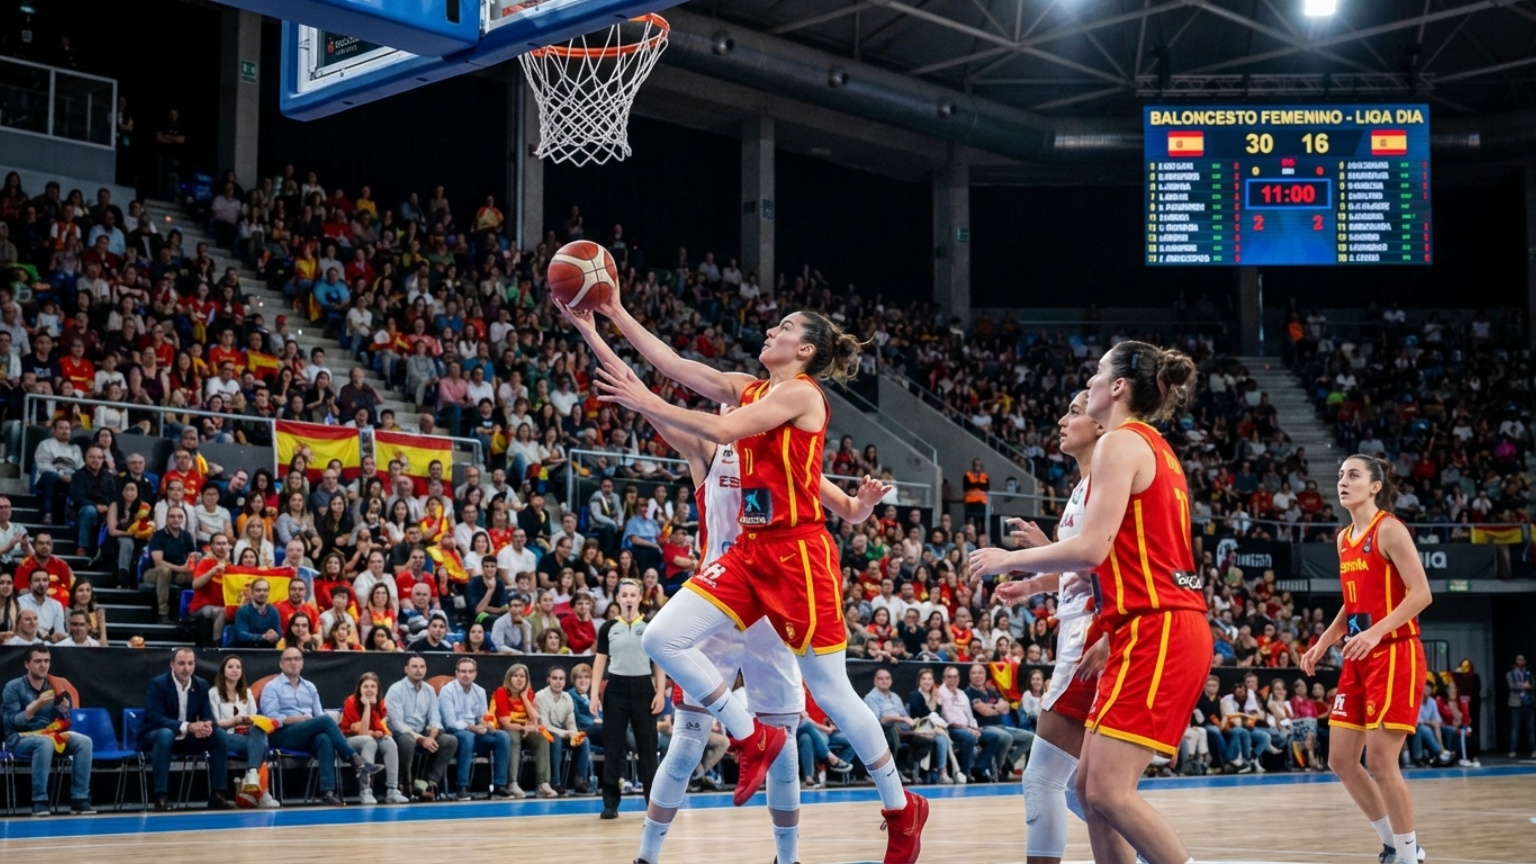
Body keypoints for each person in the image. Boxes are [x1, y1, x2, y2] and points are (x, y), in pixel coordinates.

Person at [591, 301, 926, 862]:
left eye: (786, 327)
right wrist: (613, 310)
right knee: (659, 638)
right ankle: (750, 735)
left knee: (833, 692)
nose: (772, 329)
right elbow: (673, 363)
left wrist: (644, 402)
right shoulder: (750, 389)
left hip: (797, 555)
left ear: (806, 352)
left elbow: (722, 427)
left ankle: (900, 808)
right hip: (748, 551)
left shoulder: (801, 394)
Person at [971, 340, 1207, 864]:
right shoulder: (1149, 445)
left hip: (1157, 623)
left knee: (1105, 792)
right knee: (1089, 791)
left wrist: (1009, 560)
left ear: (1118, 387)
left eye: (1097, 374)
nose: (1090, 383)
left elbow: (1092, 549)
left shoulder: (1120, 444)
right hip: (1139, 623)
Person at [994, 390, 1110, 864]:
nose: (1062, 420)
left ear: (1101, 426)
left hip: (1092, 632)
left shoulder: (1109, 481)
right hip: (1079, 628)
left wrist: (1109, 632)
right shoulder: (1083, 488)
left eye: (1075, 412)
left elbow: (1115, 566)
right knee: (1093, 789)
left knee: (1050, 778)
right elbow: (1082, 567)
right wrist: (1034, 585)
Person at [1302, 454, 1434, 864]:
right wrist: (1323, 642)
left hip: (1394, 652)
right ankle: (1393, 845)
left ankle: (1409, 856)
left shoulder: (1389, 529)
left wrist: (1377, 632)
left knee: (1379, 759)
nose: (1343, 481)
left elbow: (1421, 594)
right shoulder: (1344, 539)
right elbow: (1352, 602)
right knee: (1341, 759)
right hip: (1359, 655)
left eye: (1353, 475)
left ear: (1375, 486)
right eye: (1341, 475)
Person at [258, 647, 385, 805]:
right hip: (282, 734)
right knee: (324, 722)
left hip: (307, 732)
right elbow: (271, 719)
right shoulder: (272, 687)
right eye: (288, 659)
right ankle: (356, 761)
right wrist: (297, 719)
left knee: (324, 738)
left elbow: (318, 714)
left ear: (302, 663)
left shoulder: (309, 687)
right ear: (281, 664)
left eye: (297, 659)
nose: (293, 663)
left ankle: (327, 792)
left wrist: (310, 722)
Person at [590, 578, 664, 819]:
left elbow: (659, 662)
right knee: (613, 747)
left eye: (633, 595)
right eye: (624, 595)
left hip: (644, 688)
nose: (629, 599)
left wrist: (660, 692)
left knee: (647, 746)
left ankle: (652, 802)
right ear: (618, 599)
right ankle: (610, 803)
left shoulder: (651, 626)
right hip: (617, 688)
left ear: (640, 597)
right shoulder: (608, 627)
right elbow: (599, 662)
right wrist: (593, 695)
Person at [1, 646, 96, 816]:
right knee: (44, 743)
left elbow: (63, 722)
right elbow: (10, 721)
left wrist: (63, 710)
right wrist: (35, 706)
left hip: (48, 734)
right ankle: (40, 800)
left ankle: (80, 799)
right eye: (37, 661)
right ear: (27, 664)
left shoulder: (53, 685)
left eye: (46, 661)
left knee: (84, 741)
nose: (43, 665)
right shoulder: (13, 687)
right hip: (18, 738)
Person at [141, 647, 232, 810]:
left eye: (190, 663)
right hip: (156, 736)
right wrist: (189, 726)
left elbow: (207, 715)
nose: (186, 668)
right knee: (165, 734)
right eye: (181, 663)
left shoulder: (201, 684)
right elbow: (155, 719)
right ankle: (161, 796)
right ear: (172, 665)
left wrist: (206, 726)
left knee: (219, 735)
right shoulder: (158, 684)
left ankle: (218, 795)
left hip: (187, 738)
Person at [207, 654, 279, 808]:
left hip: (246, 737)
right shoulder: (213, 693)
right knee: (260, 745)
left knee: (259, 730)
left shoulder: (247, 693)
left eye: (238, 667)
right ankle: (263, 792)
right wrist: (235, 721)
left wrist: (249, 722)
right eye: (230, 667)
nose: (235, 670)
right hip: (224, 737)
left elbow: (254, 718)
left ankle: (252, 774)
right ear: (223, 671)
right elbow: (213, 724)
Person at [384, 653, 460, 801]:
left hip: (423, 732)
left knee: (450, 741)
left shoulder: (429, 690)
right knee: (408, 741)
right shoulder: (396, 689)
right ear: (406, 669)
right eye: (414, 666)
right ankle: (406, 785)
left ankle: (428, 784)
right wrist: (420, 739)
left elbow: (435, 718)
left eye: (422, 667)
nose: (418, 670)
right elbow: (396, 723)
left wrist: (431, 736)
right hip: (401, 733)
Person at [440, 656, 514, 799]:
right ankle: (462, 786)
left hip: (477, 734)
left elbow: (483, 716)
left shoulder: (479, 691)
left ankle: (500, 785)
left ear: (475, 674)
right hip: (455, 734)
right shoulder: (447, 691)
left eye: (470, 671)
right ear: (456, 673)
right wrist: (474, 728)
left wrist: (485, 724)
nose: (466, 675)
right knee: (467, 737)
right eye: (462, 671)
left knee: (502, 736)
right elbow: (450, 722)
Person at [340, 671, 410, 804]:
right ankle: (365, 791)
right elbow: (364, 733)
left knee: (389, 742)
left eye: (373, 687)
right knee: (369, 742)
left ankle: (392, 790)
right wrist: (367, 706)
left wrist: (376, 732)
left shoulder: (380, 703)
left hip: (369, 737)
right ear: (359, 689)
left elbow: (382, 731)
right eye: (366, 686)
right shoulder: (351, 701)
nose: (369, 690)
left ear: (378, 690)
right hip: (349, 740)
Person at [492, 663, 553, 798]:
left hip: (524, 730)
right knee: (512, 737)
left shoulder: (529, 693)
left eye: (522, 676)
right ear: (509, 678)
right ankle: (512, 783)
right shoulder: (501, 692)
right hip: (507, 730)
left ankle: (543, 783)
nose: (519, 679)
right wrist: (524, 727)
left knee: (542, 738)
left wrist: (524, 697)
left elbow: (534, 717)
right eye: (515, 676)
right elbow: (505, 723)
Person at [533, 665, 584, 796]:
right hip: (545, 734)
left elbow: (570, 721)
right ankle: (556, 783)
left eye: (561, 678)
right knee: (556, 740)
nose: (558, 681)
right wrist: (565, 733)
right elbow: (545, 725)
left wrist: (574, 733)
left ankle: (580, 781)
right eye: (555, 678)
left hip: (561, 733)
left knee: (584, 741)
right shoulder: (540, 696)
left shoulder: (567, 697)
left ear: (565, 681)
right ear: (548, 680)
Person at [144, 506, 197, 623]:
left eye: (179, 516)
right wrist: (181, 568)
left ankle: (193, 611)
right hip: (154, 573)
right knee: (164, 571)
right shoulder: (158, 535)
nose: (176, 519)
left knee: (199, 573)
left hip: (178, 574)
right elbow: (158, 562)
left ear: (183, 519)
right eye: (172, 516)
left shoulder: (187, 536)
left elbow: (191, 557)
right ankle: (163, 613)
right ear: (167, 518)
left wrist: (192, 565)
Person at [16, 566, 67, 642]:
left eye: (45, 580)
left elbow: (59, 632)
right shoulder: (19, 602)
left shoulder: (56, 605)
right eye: (37, 580)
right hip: (24, 641)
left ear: (48, 583)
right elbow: (17, 628)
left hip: (49, 643)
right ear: (30, 584)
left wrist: (56, 637)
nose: (42, 584)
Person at [232, 578, 283, 648]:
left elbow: (279, 635)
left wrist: (274, 636)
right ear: (252, 593)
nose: (262, 593)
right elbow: (241, 635)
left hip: (268, 653)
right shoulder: (242, 611)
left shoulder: (274, 611)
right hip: (246, 651)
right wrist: (263, 637)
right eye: (258, 590)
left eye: (265, 590)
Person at [1508, 654, 1534, 759]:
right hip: (1516, 703)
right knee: (1515, 727)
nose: (1520, 661)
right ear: (1515, 661)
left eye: (1522, 659)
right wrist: (1523, 686)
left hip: (1528, 702)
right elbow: (1512, 686)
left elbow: (1533, 685)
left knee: (1531, 727)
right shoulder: (1510, 674)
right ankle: (1513, 749)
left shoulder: (1529, 673)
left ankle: (1534, 749)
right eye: (1518, 659)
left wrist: (1530, 686)